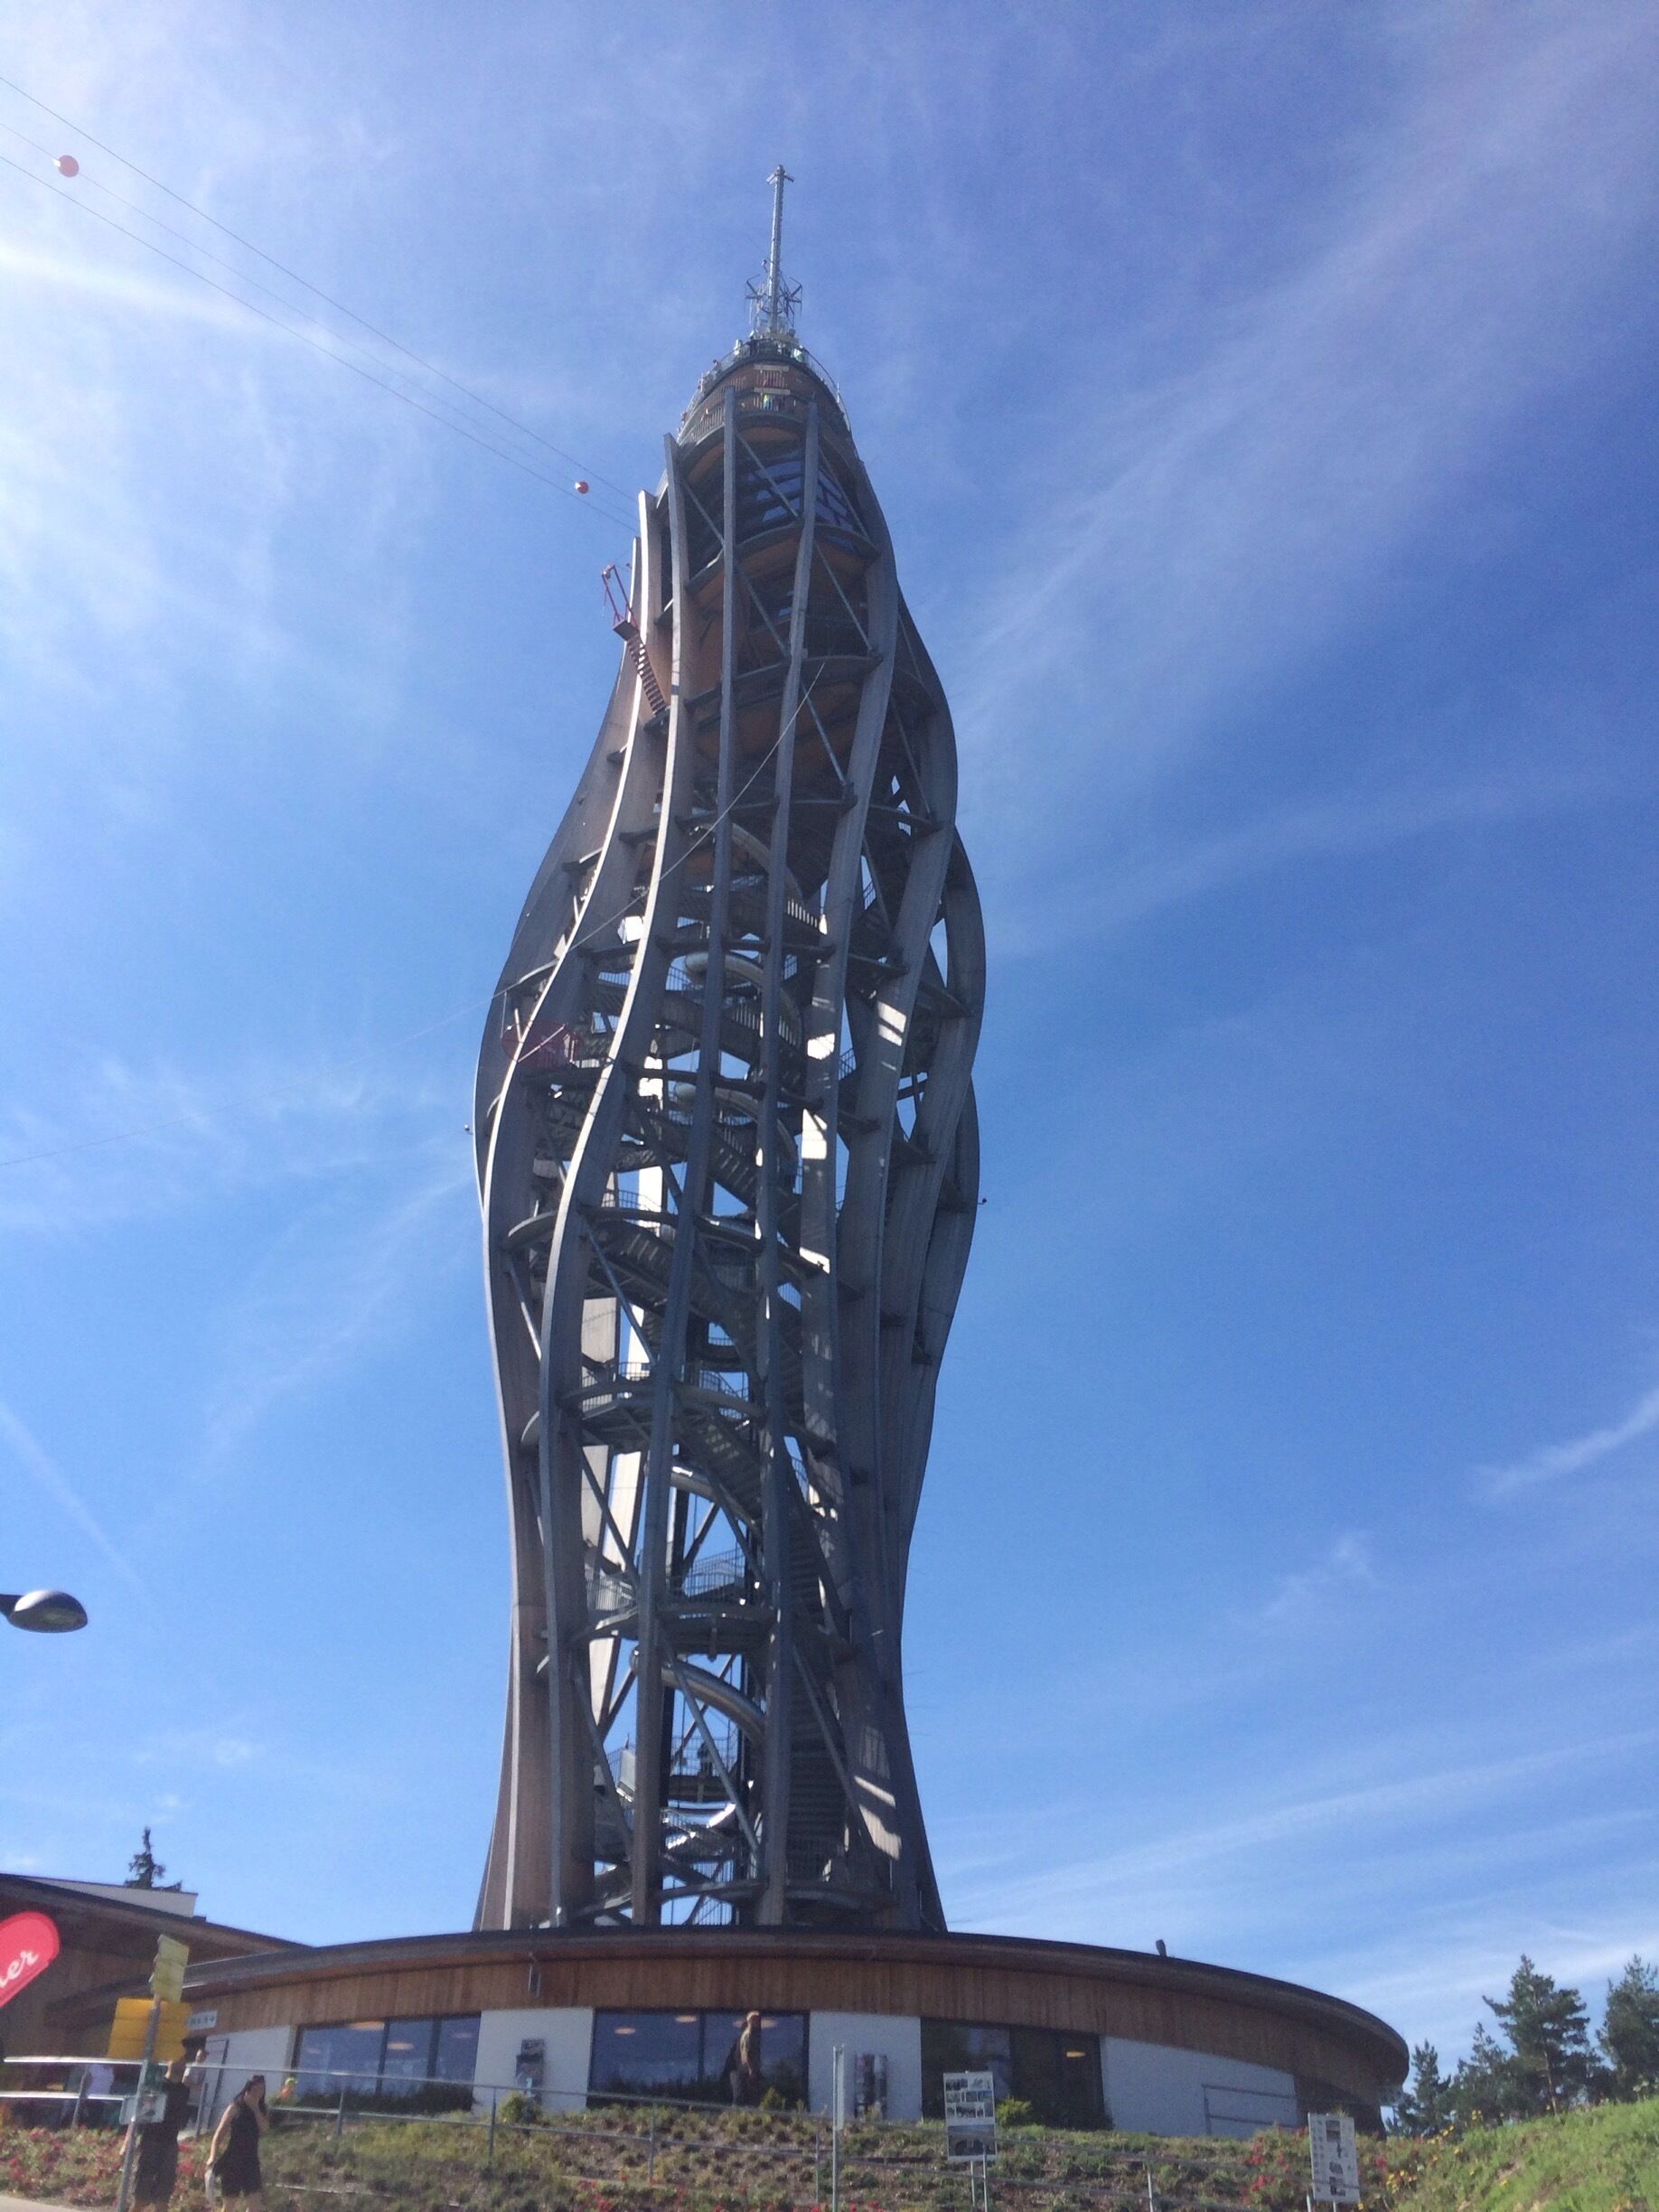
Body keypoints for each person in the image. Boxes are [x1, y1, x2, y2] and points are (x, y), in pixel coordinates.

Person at [127, 2054, 192, 2207]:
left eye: (183, 2060)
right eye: (178, 2058)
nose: (180, 2062)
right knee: (141, 2197)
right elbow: (139, 2112)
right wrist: (129, 2138)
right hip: (151, 2140)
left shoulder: (184, 2090)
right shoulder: (157, 2085)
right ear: (169, 2061)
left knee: (163, 2197)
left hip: (170, 2143)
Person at [208, 2072, 269, 2206]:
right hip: (233, 2159)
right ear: (249, 2088)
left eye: (262, 2090)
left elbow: (264, 2129)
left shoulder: (261, 2109)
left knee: (255, 2203)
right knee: (229, 2204)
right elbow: (219, 2134)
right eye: (256, 2089)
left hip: (251, 2160)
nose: (258, 2093)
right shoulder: (236, 2107)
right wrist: (212, 2156)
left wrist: (255, 2109)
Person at [724, 2012, 764, 2106]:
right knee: (741, 2097)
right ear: (750, 2021)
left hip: (746, 2071)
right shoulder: (748, 2035)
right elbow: (746, 2053)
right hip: (743, 2072)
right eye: (756, 2020)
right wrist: (751, 2070)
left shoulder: (753, 2036)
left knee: (749, 2098)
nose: (759, 2023)